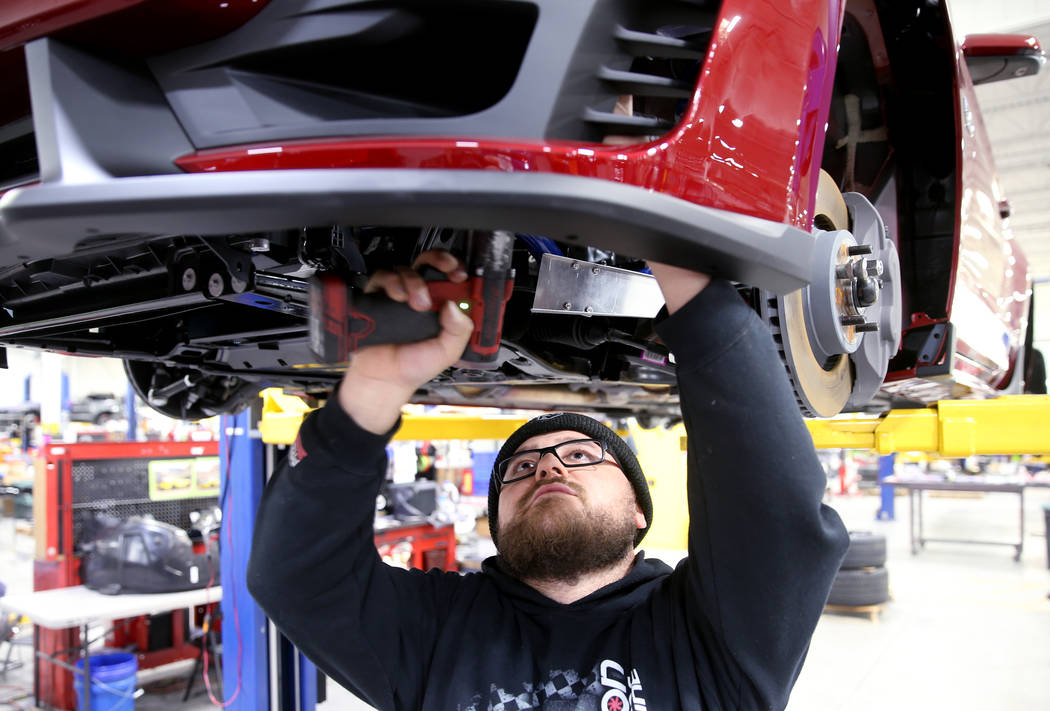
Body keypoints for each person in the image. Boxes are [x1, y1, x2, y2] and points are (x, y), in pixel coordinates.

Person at [248, 250, 849, 711]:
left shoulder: (704, 638)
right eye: (521, 468)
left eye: (582, 456)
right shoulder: (437, 629)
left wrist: (680, 262)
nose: (549, 467)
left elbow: (774, 519)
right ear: (499, 520)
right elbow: (300, 580)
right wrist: (375, 388)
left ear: (641, 512)